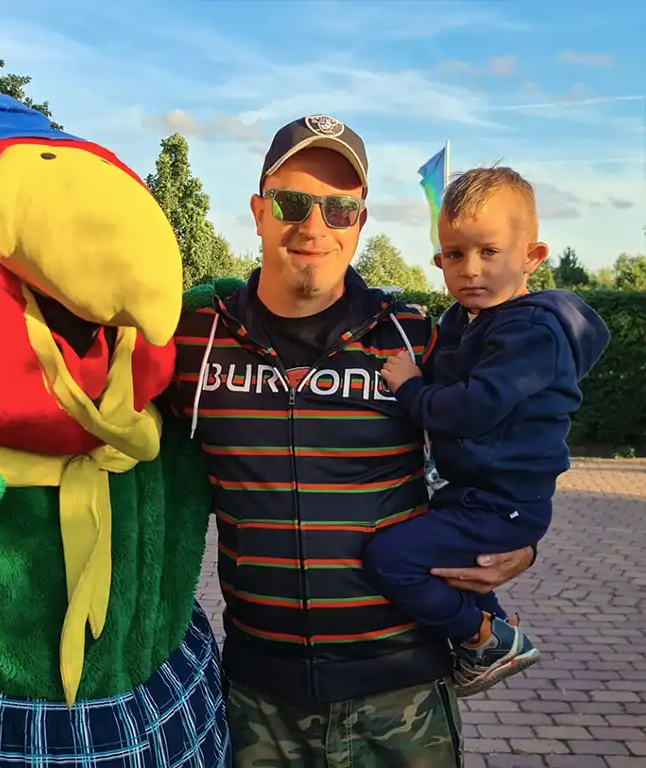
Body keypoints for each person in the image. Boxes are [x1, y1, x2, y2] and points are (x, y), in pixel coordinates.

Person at [165, 115, 536, 767]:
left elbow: (500, 447)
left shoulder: (414, 336)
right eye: (292, 203)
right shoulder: (193, 340)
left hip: (403, 697)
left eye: (339, 210)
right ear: (258, 212)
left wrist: (520, 539)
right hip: (259, 701)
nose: (314, 227)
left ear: (360, 223)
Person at [365, 166, 610, 698]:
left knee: (392, 557)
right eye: (454, 254)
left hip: (501, 506)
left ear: (532, 256)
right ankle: (490, 637)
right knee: (449, 568)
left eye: (489, 252)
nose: (470, 269)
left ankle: (484, 640)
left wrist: (409, 389)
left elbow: (475, 408)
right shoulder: (465, 319)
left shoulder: (532, 330)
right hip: (473, 495)